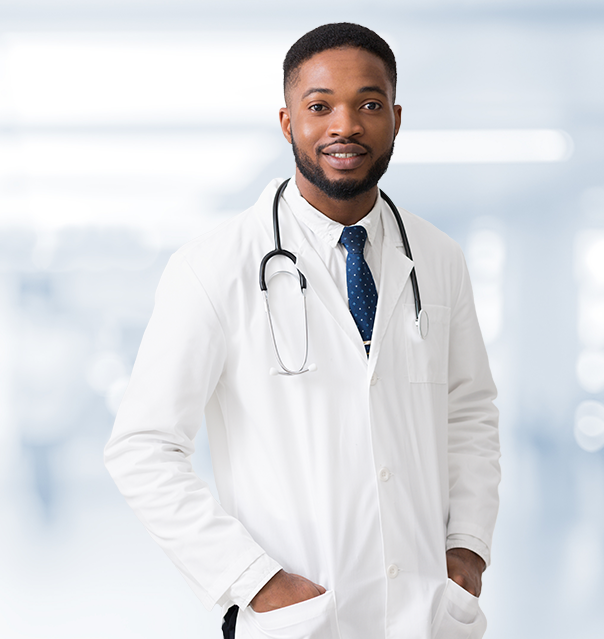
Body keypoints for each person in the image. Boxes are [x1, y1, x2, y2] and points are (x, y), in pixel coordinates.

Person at [104, 22, 501, 639]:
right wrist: (255, 580)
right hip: (299, 619)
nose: (345, 126)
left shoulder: (438, 257)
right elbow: (142, 447)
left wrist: (468, 549)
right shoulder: (213, 267)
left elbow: (469, 409)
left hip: (426, 614)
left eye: (368, 105)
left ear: (395, 118)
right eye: (320, 107)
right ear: (289, 123)